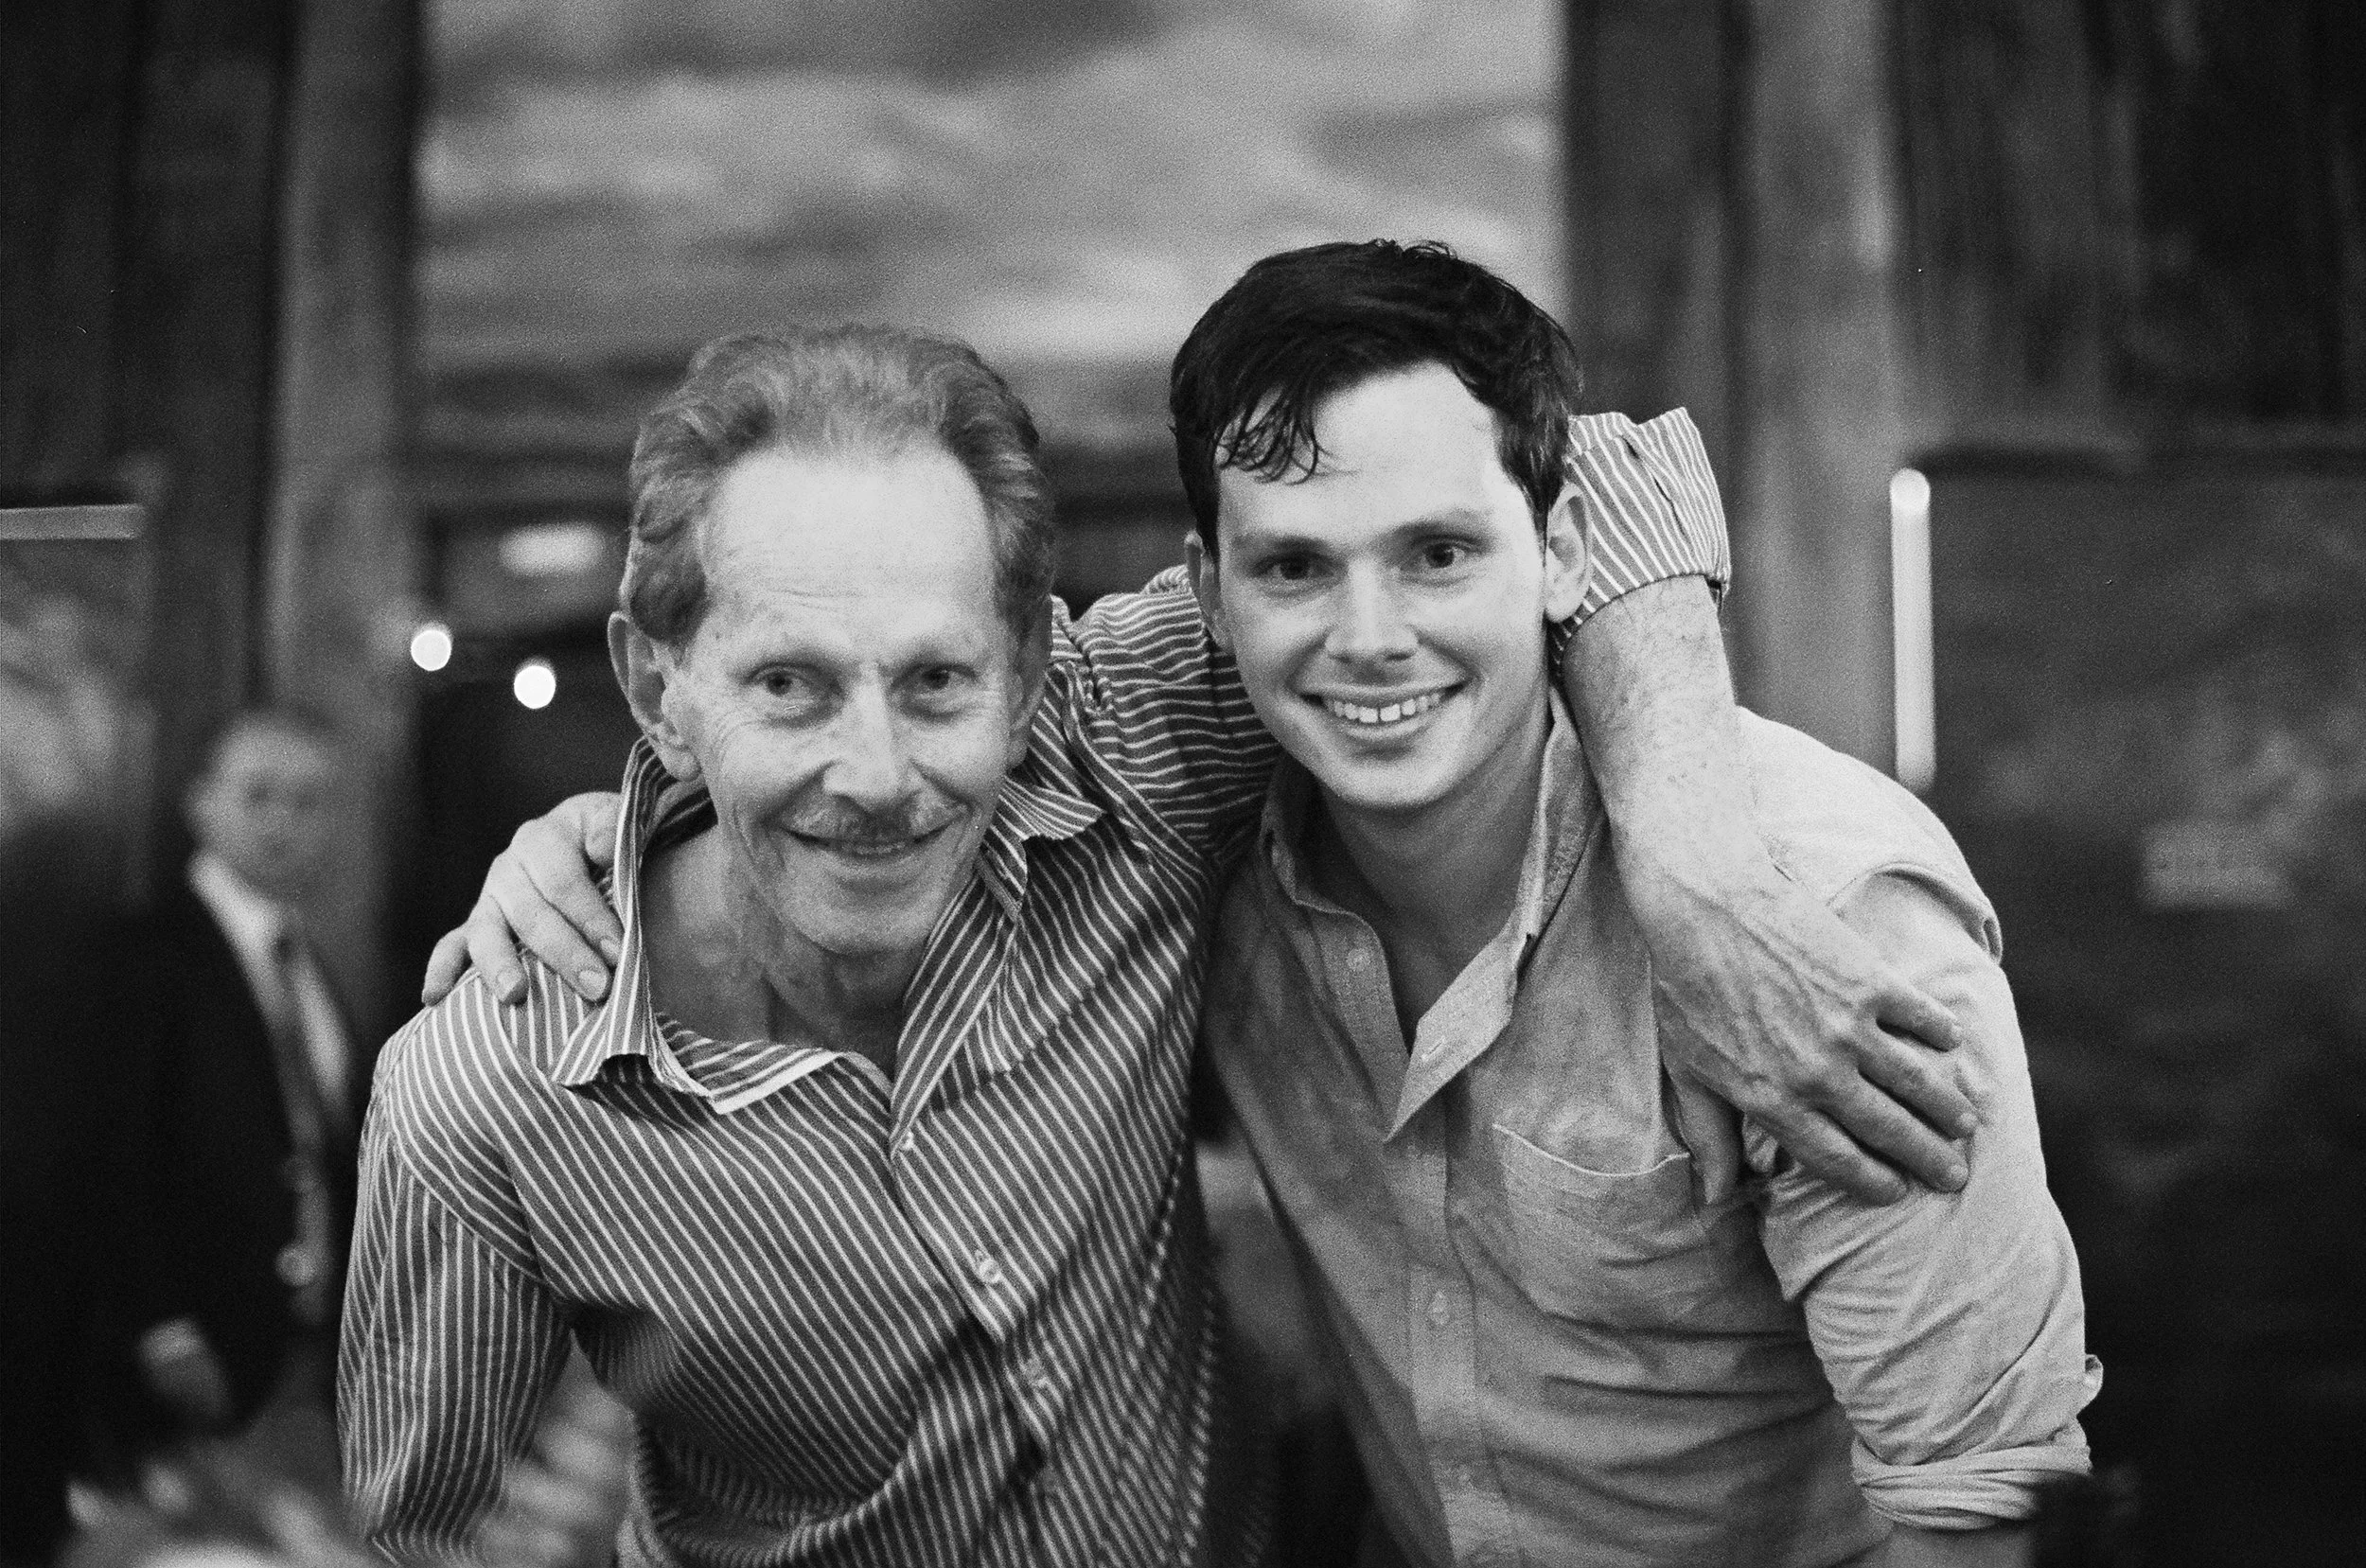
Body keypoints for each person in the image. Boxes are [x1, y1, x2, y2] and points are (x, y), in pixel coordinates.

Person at [373, 280, 1984, 1560]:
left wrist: (1694, 855)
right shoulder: (479, 1095)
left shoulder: (1126, 742)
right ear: (656, 685)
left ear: (1027, 665)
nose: (875, 773)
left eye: (937, 679)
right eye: (788, 685)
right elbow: (419, 1544)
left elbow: (1585, 491)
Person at [1179, 242, 2097, 1565]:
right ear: (1209, 591)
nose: (1368, 633)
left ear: (1562, 552)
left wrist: (1694, 875)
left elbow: (1977, 1511)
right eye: (1293, 570)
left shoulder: (1823, 917)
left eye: (1438, 553)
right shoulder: (1205, 847)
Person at [126, 708, 362, 1483]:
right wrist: (159, 1326)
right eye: (259, 796)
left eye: (308, 801)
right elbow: (108, 1154)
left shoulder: (305, 962)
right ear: (202, 803)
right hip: (189, 1346)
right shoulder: (148, 951)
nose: (284, 823)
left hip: (304, 1346)